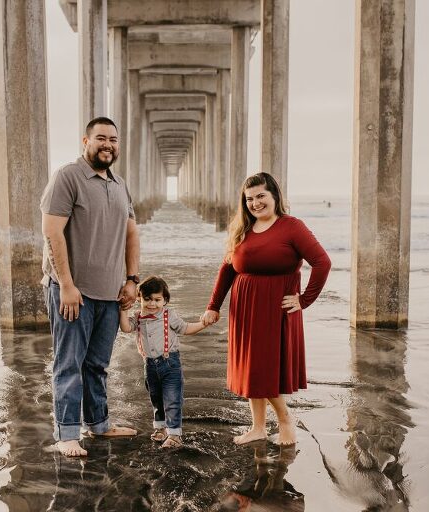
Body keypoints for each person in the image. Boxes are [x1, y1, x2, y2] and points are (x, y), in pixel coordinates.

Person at [202, 172, 331, 446]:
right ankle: (257, 427)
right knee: (251, 369)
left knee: (263, 369)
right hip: (244, 309)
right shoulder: (242, 228)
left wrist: (304, 299)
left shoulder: (291, 227)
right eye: (249, 199)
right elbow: (226, 270)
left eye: (261, 196)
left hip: (275, 309)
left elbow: (322, 262)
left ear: (274, 196)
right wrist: (214, 306)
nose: (255, 203)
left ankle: (285, 419)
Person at [41, 116, 140, 457]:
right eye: (100, 138)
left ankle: (98, 424)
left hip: (110, 295)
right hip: (74, 293)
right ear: (85, 142)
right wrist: (67, 285)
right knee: (69, 363)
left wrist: (132, 279)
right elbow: (52, 231)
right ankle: (67, 433)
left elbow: (130, 234)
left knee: (97, 364)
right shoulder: (68, 177)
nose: (108, 144)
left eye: (113, 139)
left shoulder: (120, 184)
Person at [119, 276, 211, 449]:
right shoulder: (138, 317)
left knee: (172, 399)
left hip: (170, 364)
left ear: (165, 301)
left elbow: (186, 329)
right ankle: (161, 428)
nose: (152, 304)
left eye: (157, 300)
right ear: (139, 299)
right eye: (147, 299)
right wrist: (123, 310)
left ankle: (175, 434)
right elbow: (125, 328)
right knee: (156, 398)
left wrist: (203, 324)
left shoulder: (169, 315)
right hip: (149, 365)